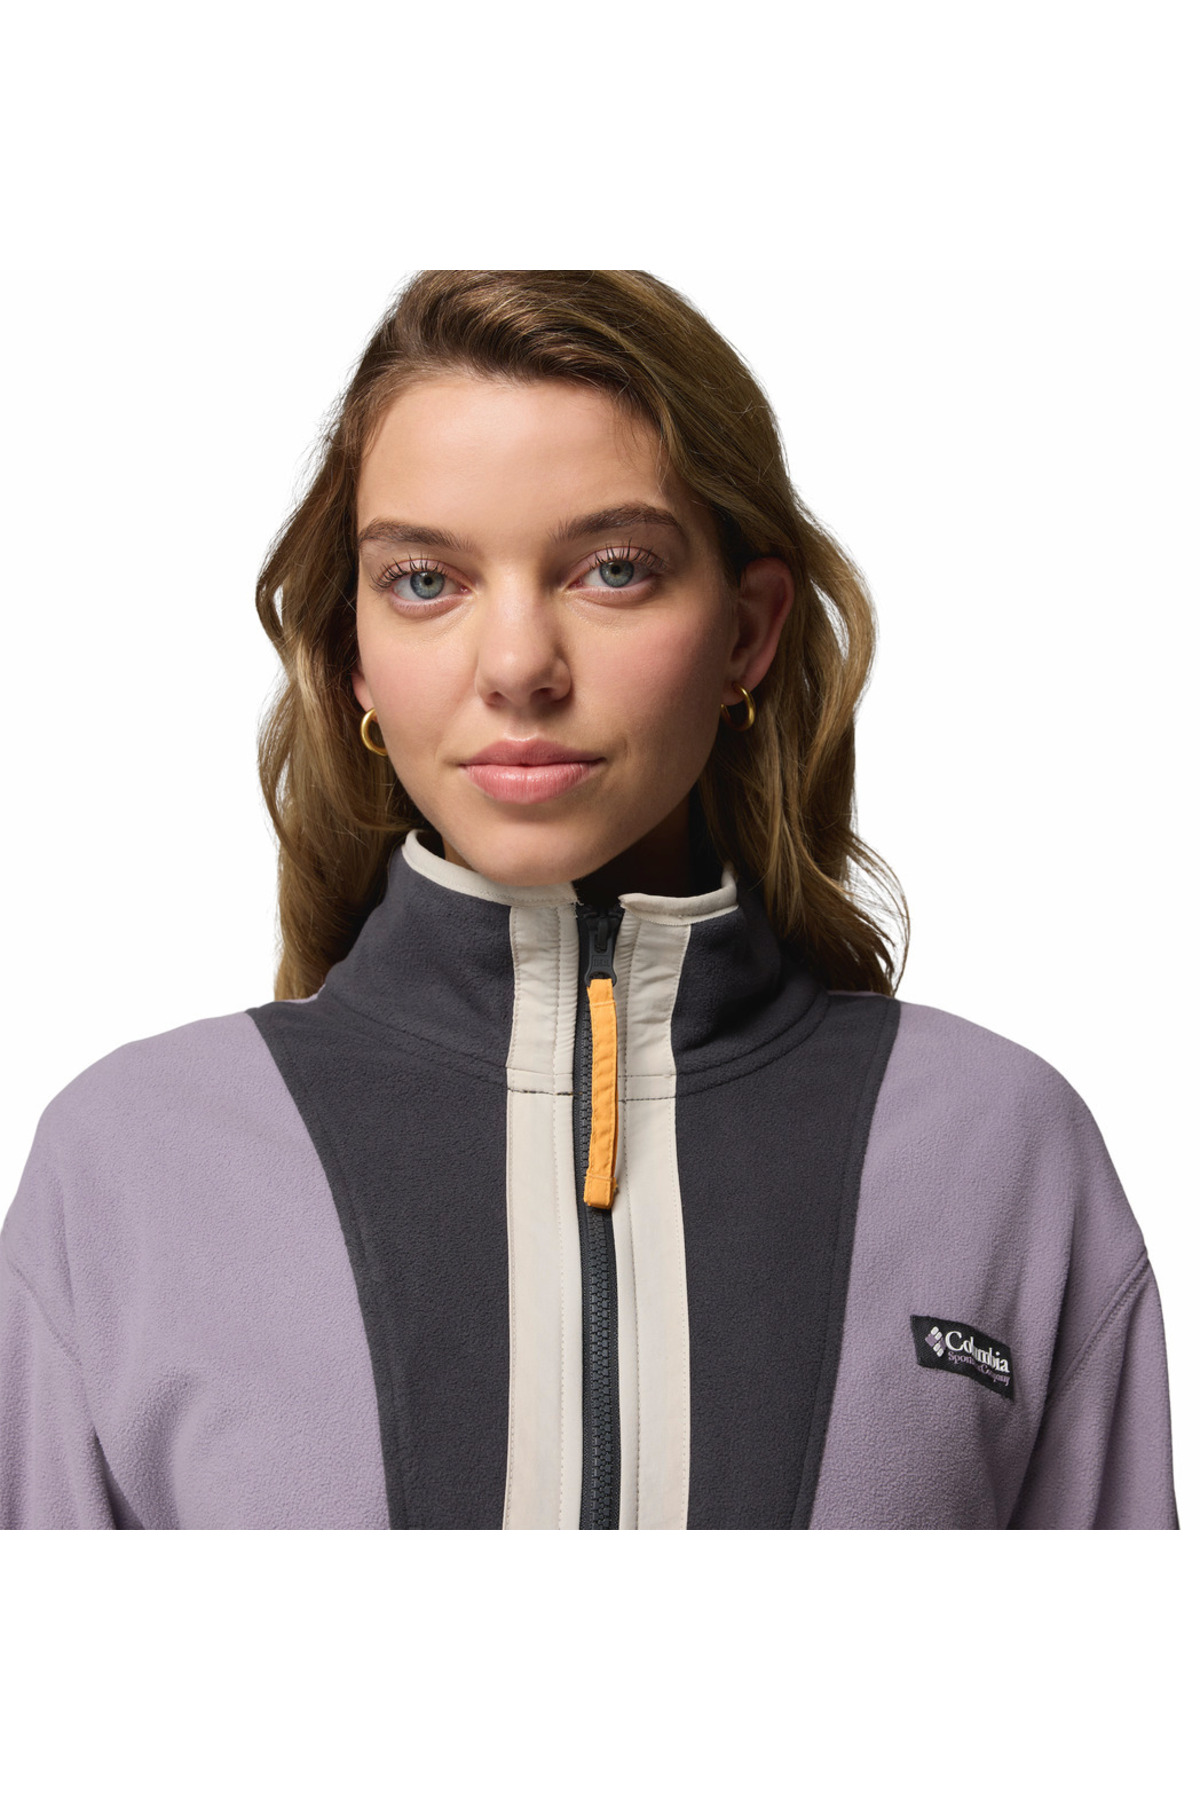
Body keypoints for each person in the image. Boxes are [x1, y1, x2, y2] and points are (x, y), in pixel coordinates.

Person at [0, 269, 1178, 1530]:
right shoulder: (129, 1165)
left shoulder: (999, 1148)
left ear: (748, 632)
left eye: (613, 569)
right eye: (424, 581)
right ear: (354, 654)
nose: (518, 666)